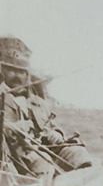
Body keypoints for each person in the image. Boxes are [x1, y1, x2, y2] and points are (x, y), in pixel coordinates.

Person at [0, 35, 91, 176]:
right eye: (11, 70)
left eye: (21, 72)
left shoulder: (37, 102)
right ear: (2, 70)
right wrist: (17, 127)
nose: (17, 76)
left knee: (78, 154)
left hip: (46, 148)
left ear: (27, 74)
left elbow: (51, 125)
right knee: (44, 165)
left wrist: (56, 134)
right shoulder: (2, 96)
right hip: (18, 155)